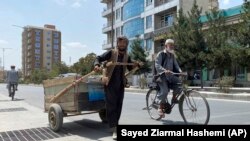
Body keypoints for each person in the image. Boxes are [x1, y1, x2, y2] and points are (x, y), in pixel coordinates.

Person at [93, 36, 140, 140]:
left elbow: (130, 67)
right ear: (117, 44)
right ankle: (115, 129)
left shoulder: (127, 56)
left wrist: (136, 65)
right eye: (120, 43)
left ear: (126, 45)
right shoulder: (111, 53)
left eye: (124, 43)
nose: (122, 45)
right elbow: (98, 58)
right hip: (109, 83)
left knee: (118, 106)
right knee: (112, 105)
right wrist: (96, 64)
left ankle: (114, 125)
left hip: (120, 84)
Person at [155, 39, 182, 118]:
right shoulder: (161, 54)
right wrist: (164, 70)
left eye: (173, 45)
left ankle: (174, 98)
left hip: (170, 76)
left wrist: (180, 71)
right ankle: (160, 107)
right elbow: (157, 65)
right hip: (162, 76)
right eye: (170, 45)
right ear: (166, 46)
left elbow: (176, 65)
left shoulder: (172, 55)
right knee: (165, 91)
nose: (172, 47)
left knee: (179, 82)